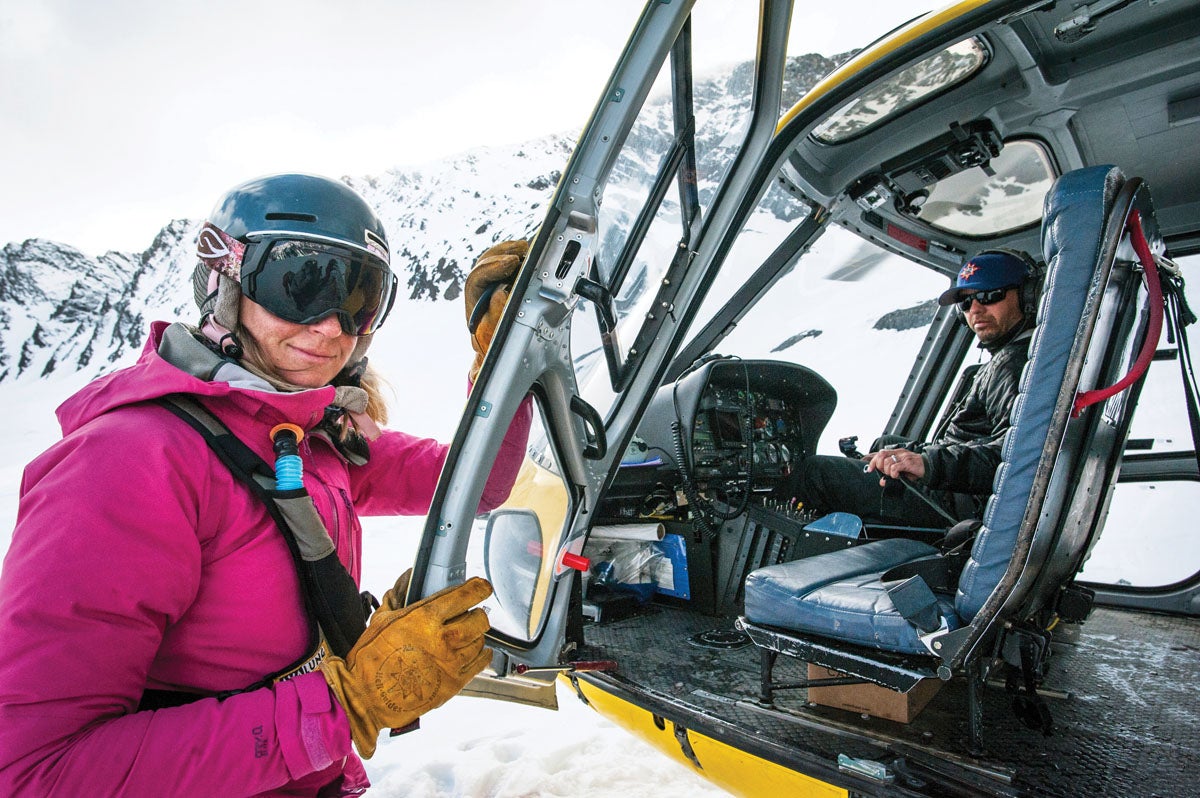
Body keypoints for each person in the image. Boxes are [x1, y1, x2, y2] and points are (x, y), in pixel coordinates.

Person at [0, 173, 533, 796]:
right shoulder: (128, 465)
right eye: (301, 285)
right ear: (226, 282)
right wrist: (346, 707)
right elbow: (32, 772)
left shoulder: (307, 435)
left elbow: (479, 482)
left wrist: (502, 360)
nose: (334, 328)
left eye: (360, 298)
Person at [787, 249, 1039, 529]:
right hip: (959, 495)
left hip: (960, 506)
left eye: (989, 295)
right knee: (885, 445)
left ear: (1028, 295)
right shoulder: (1013, 357)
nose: (976, 310)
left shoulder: (1013, 364)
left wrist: (928, 464)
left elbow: (1018, 455)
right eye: (966, 303)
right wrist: (906, 454)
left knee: (815, 473)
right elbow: (973, 442)